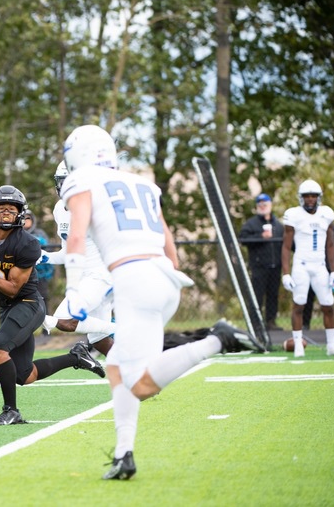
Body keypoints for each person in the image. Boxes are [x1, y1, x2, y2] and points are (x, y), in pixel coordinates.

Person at [60, 124, 264, 480]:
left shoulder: (82, 182)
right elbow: (170, 249)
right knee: (117, 367)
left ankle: (217, 340)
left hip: (134, 279)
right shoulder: (141, 183)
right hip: (163, 278)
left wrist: (76, 291)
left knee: (141, 385)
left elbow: (76, 237)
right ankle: (124, 454)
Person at [0, 185, 106, 426]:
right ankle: (76, 357)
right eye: (1, 209)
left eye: (11, 209)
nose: (5, 213)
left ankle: (10, 411)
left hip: (28, 303)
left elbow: (13, 288)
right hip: (7, 307)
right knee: (25, 376)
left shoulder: (27, 244)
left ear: (20, 213)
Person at [40, 160, 115, 356]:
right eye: (63, 182)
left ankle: (118, 329)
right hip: (86, 278)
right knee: (99, 341)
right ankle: (139, 372)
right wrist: (46, 257)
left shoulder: (94, 208)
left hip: (100, 277)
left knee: (63, 318)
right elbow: (68, 252)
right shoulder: (59, 209)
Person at [281, 180, 334, 357]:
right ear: (300, 198)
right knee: (299, 305)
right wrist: (286, 273)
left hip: (320, 266)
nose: (310, 199)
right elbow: (286, 246)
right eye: (306, 196)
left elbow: (331, 244)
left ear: (319, 198)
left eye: (313, 196)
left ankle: (332, 346)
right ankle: (297, 345)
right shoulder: (293, 215)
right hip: (301, 266)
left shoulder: (326, 214)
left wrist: (333, 270)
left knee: (328, 305)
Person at [238, 193, 284, 331]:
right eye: (260, 205)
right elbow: (243, 239)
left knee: (273, 295)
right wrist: (260, 237)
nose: (263, 207)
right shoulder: (251, 224)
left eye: (265, 204)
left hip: (275, 266)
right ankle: (255, 323)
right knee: (257, 295)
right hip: (259, 266)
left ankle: (271, 321)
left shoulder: (278, 225)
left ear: (270, 205)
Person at [302, 223, 334, 330]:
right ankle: (305, 324)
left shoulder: (327, 222)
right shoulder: (304, 223)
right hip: (308, 267)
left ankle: (330, 330)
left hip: (324, 267)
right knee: (306, 298)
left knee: (327, 300)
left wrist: (325, 239)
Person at [23, 210, 53, 313]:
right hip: (22, 271)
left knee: (42, 297)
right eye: (24, 218)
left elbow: (48, 251)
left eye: (28, 218)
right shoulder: (16, 234)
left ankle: (46, 325)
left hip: (40, 273)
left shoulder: (40, 234)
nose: (26, 221)